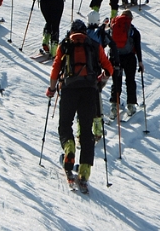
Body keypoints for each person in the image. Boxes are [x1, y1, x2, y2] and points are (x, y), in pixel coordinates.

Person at [47, 19, 114, 193]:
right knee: (86, 130)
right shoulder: (93, 44)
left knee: (65, 124)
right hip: (89, 91)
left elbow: (56, 68)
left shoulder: (66, 45)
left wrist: (52, 89)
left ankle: (69, 148)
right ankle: (84, 170)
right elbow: (108, 68)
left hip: (69, 90)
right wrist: (101, 82)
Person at [108, 10, 144, 117]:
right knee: (130, 80)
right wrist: (140, 62)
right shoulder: (133, 30)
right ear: (130, 19)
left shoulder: (113, 26)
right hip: (129, 57)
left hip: (115, 58)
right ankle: (131, 105)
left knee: (116, 81)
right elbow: (137, 47)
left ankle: (114, 106)